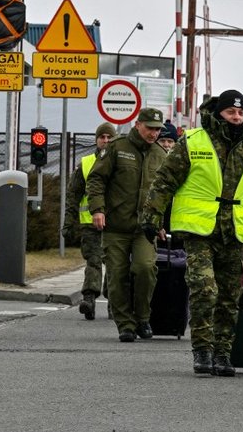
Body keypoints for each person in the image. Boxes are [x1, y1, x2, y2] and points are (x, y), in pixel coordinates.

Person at [142, 89, 243, 377]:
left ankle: (223, 353)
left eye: (240, 112)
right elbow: (165, 180)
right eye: (230, 112)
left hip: (235, 231)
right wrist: (152, 216)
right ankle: (202, 350)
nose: (236, 117)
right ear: (218, 113)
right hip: (199, 230)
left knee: (228, 297)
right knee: (204, 289)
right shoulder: (194, 141)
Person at [86, 108, 167, 342]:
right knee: (117, 274)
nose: (154, 133)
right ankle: (125, 324)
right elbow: (96, 179)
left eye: (157, 129)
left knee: (145, 268)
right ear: (137, 124)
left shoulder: (160, 154)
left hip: (144, 228)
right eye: (150, 127)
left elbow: (164, 193)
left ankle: (142, 317)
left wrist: (159, 221)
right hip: (115, 226)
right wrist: (98, 210)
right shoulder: (117, 147)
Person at [63, 122, 116, 320]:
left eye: (109, 137)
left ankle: (113, 302)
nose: (106, 141)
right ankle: (89, 299)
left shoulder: (121, 163)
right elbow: (73, 194)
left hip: (115, 224)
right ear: (96, 140)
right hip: (90, 223)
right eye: (102, 137)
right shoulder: (85, 163)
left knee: (113, 263)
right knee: (93, 261)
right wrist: (68, 222)